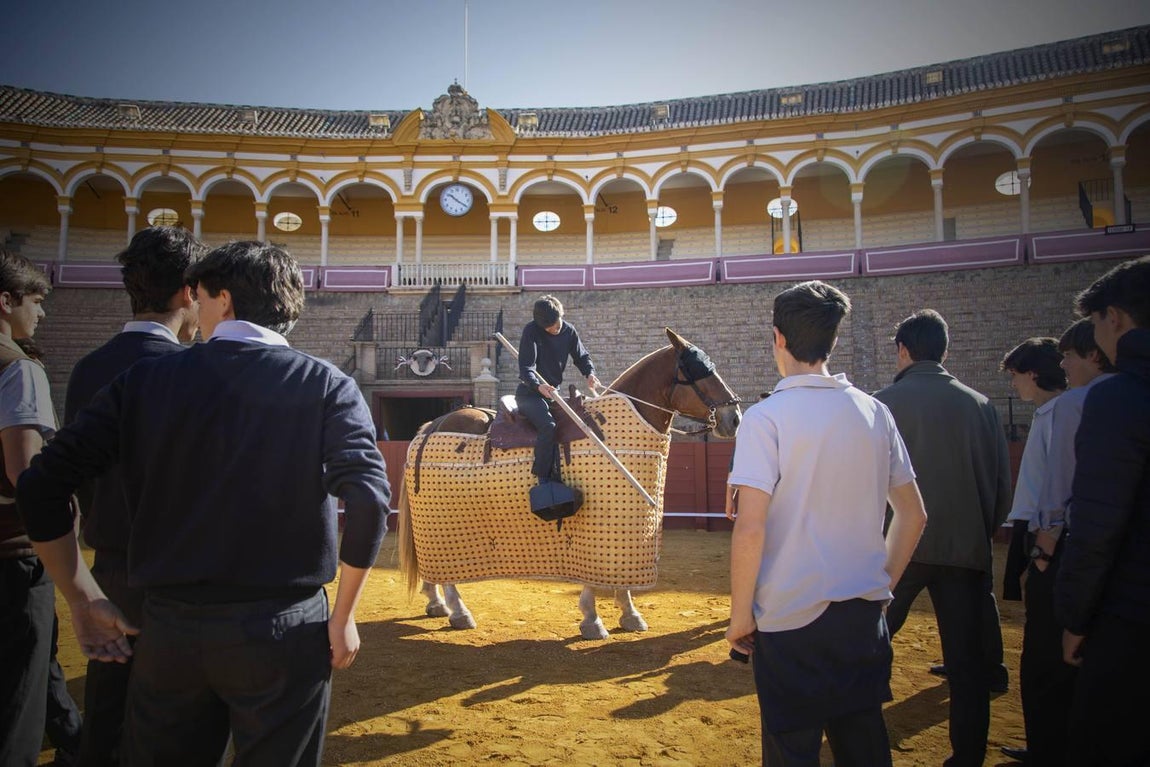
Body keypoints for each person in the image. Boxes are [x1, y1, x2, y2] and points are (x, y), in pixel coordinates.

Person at [18, 241, 391, 766]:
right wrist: (345, 614)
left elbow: (40, 486)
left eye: (199, 294)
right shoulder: (326, 383)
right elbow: (370, 500)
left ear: (225, 300)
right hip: (283, 626)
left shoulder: (144, 380)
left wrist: (82, 598)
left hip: (169, 628)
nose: (192, 305)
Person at [727, 280, 926, 767]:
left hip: (790, 619)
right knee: (864, 748)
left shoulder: (765, 418)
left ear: (778, 338)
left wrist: (738, 618)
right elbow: (914, 514)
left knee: (791, 751)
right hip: (861, 617)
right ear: (832, 341)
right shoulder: (875, 411)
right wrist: (882, 590)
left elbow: (750, 527)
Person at [63, 226, 205, 766]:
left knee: (107, 712)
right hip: (182, 576)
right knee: (177, 721)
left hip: (112, 570)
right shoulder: (192, 371)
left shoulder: (88, 368)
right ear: (190, 292)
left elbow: (67, 480)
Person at [874, 309, 1012, 767]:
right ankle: (968, 755)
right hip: (965, 546)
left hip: (897, 548)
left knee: (869, 639)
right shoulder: (981, 404)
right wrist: (980, 531)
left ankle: (863, 739)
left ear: (904, 350)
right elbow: (999, 486)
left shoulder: (882, 403)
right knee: (968, 663)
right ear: (944, 350)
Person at [1053, 256, 1150, 767]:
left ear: (1114, 318)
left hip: (1130, 614)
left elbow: (1096, 522)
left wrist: (1075, 615)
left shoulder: (1117, 397)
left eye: (1094, 324)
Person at [0, 251, 82, 767]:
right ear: (5, 302)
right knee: (15, 704)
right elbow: (24, 473)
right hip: (11, 552)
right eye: (34, 300)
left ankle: (77, 741)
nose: (42, 313)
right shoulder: (18, 370)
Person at [993, 336, 1067, 763]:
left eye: (1017, 374)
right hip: (1038, 534)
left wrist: (1040, 552)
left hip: (1045, 538)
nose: (1015, 383)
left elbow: (1056, 489)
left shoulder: (1059, 416)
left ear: (1033, 373)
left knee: (1043, 649)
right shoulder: (1048, 415)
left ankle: (1049, 746)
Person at [516, 294, 601, 483]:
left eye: (555, 324)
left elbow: (582, 357)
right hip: (530, 395)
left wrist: (589, 373)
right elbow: (526, 368)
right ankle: (543, 479)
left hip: (553, 394)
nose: (554, 329)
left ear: (561, 315)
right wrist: (538, 385)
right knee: (548, 426)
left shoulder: (569, 331)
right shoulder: (531, 331)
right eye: (548, 328)